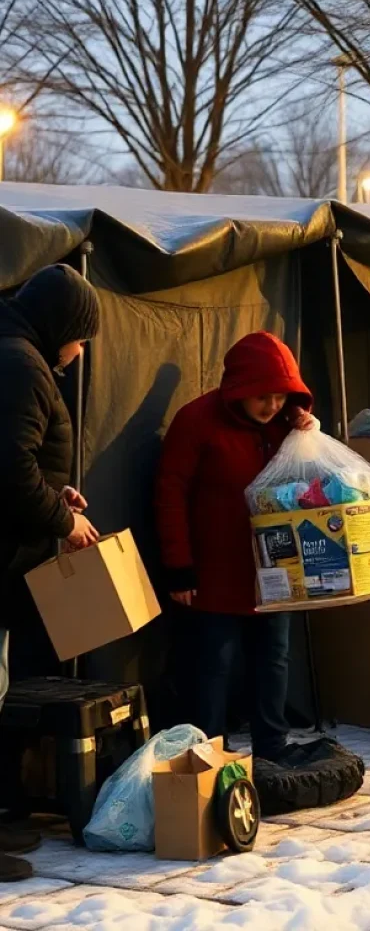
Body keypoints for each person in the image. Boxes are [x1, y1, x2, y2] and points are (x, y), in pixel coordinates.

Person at [156, 331, 314, 762]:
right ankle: (206, 754)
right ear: (240, 389)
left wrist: (309, 432)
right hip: (214, 573)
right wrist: (179, 568)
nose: (273, 406)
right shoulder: (197, 421)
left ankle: (272, 747)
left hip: (274, 573)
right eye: (264, 397)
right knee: (213, 667)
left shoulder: (289, 425)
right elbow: (170, 494)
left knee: (274, 661)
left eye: (281, 396)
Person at [0, 264, 101, 881]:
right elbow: (8, 468)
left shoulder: (15, 355)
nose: (81, 351)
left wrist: (56, 494)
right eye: (81, 336)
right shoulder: (20, 364)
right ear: (60, 324)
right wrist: (63, 524)